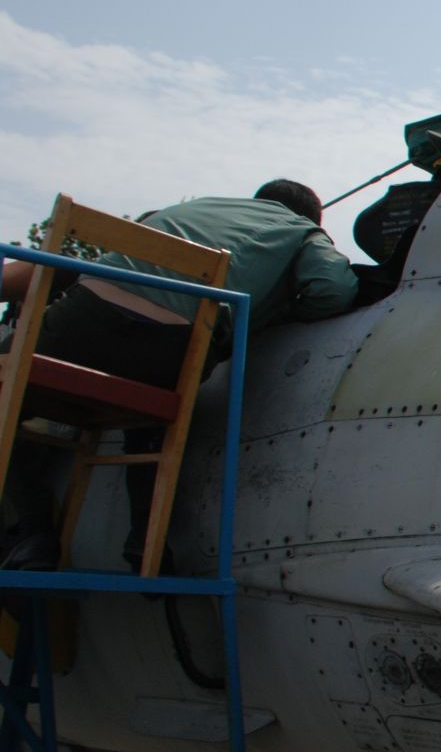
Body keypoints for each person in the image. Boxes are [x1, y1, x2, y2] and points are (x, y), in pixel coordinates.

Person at [1, 179, 358, 569]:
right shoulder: (302, 231)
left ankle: (34, 533)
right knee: (148, 421)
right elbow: (334, 290)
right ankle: (145, 543)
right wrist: (272, 318)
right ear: (312, 217)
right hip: (167, 353)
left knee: (9, 393)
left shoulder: (199, 206)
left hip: (85, 320)